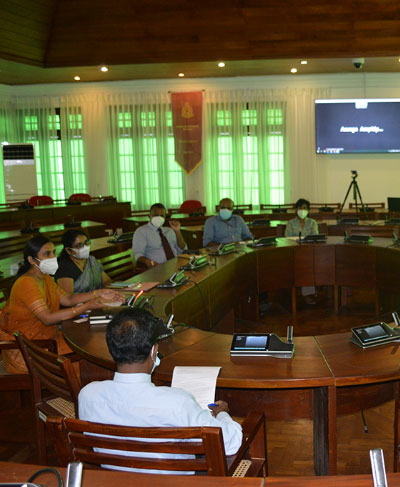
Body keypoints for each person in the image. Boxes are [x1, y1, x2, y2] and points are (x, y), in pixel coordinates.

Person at [78, 307, 243, 474]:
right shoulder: (177, 402)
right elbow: (231, 443)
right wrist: (222, 414)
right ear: (153, 351)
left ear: (111, 350)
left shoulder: (87, 395)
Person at [0, 236, 124, 373]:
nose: (53, 256)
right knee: (90, 350)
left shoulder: (45, 278)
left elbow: (68, 299)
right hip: (31, 350)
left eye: (53, 252)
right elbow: (47, 318)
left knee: (92, 343)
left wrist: (99, 293)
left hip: (47, 340)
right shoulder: (27, 283)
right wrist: (87, 306)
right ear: (31, 260)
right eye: (47, 254)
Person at [55, 229, 111, 294]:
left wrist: (108, 292)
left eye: (86, 243)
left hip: (99, 300)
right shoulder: (64, 268)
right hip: (80, 304)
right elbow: (68, 299)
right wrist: (96, 295)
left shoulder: (91, 261)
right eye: (79, 245)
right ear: (68, 250)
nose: (85, 247)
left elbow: (106, 281)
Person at [285, 198, 319, 304]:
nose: (302, 210)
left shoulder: (312, 223)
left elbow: (316, 238)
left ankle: (308, 292)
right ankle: (309, 293)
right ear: (296, 210)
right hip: (294, 252)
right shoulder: (290, 223)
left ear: (308, 210)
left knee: (308, 262)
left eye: (305, 208)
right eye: (300, 208)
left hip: (309, 251)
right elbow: (286, 239)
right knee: (305, 264)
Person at [132, 203, 187, 268]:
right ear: (149, 216)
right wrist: (148, 262)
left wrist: (177, 231)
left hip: (176, 265)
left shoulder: (169, 231)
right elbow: (137, 254)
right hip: (157, 268)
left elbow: (182, 249)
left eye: (162, 215)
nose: (159, 218)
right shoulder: (141, 231)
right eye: (156, 215)